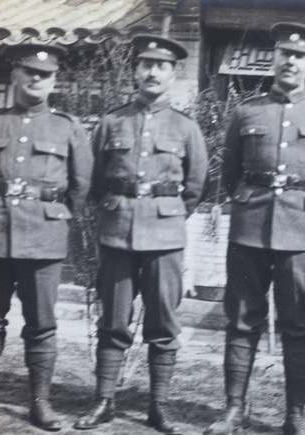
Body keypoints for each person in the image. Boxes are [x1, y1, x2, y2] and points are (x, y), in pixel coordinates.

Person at [204, 22, 305, 435]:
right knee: (242, 319)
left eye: (300, 56)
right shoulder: (247, 111)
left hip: (302, 233)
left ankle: (295, 415)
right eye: (285, 53)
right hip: (250, 229)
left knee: (300, 323)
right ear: (273, 59)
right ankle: (234, 410)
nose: (291, 61)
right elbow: (230, 173)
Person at [0, 43, 93, 431]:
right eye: (29, 72)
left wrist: (56, 218)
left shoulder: (68, 126)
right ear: (14, 75)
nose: (37, 79)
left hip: (44, 238)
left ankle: (40, 403)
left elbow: (80, 186)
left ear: (55, 80)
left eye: (45, 74)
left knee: (41, 323)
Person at [74, 34, 207, 434]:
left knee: (164, 326)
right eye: (146, 64)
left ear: (172, 74)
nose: (152, 71)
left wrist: (167, 215)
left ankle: (159, 406)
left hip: (165, 239)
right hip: (116, 235)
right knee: (113, 321)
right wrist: (115, 209)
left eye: (161, 66)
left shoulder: (186, 127)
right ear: (135, 70)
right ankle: (104, 401)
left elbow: (196, 185)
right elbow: (93, 180)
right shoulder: (112, 122)